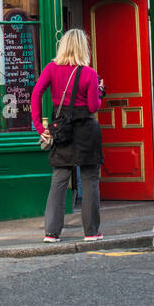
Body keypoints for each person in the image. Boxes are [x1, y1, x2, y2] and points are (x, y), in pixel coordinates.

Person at [31, 28, 104, 242]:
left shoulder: (52, 68)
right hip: (86, 130)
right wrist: (99, 91)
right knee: (90, 179)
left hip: (61, 128)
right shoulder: (89, 73)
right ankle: (91, 232)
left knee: (59, 178)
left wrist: (38, 125)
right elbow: (93, 106)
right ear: (84, 48)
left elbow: (36, 93)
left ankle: (51, 232)